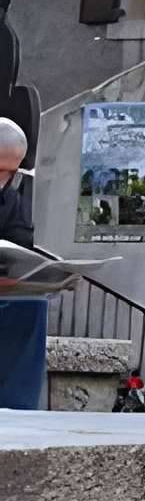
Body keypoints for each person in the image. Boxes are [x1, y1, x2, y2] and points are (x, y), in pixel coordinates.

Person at [0, 118, 43, 410]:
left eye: (12, 172)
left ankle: (16, 405)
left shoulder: (10, 198)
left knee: (34, 303)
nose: (5, 179)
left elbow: (21, 239)